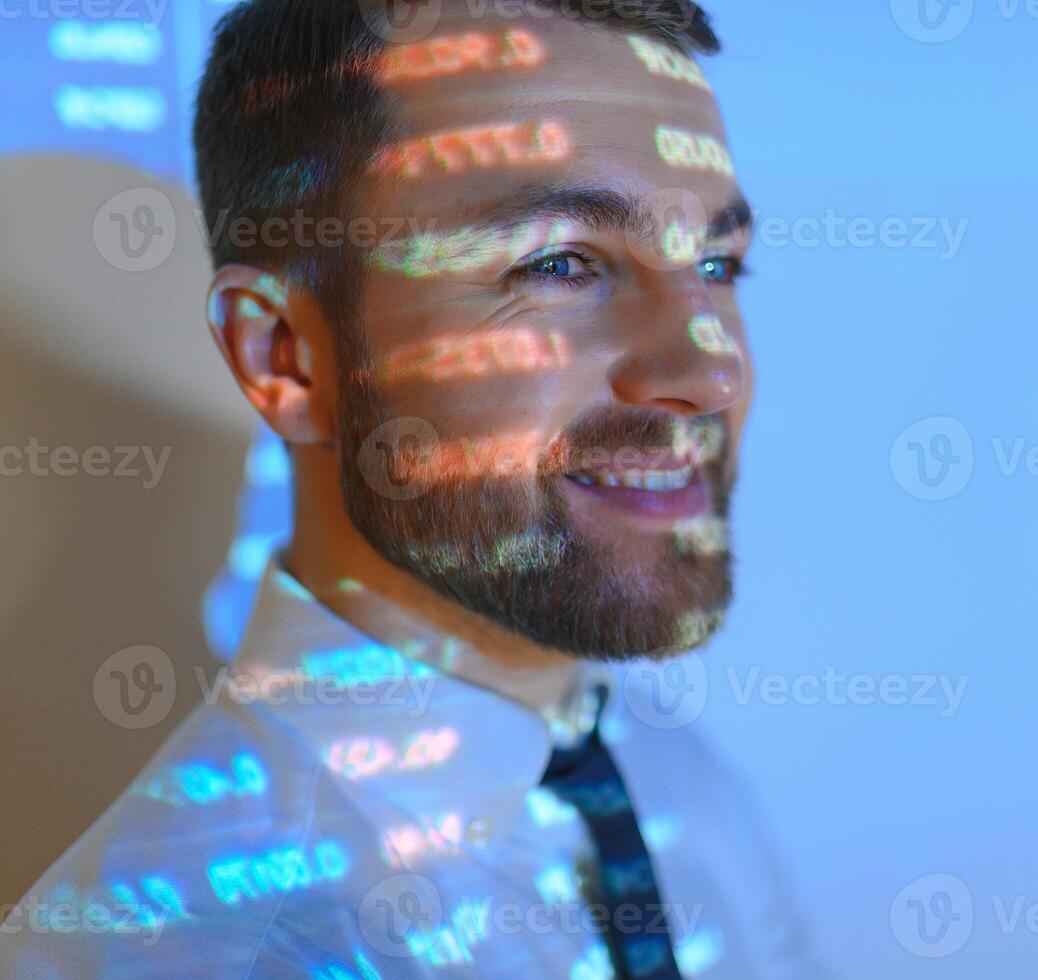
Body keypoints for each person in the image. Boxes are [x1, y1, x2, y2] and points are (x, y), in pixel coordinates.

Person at [0, 2, 819, 977]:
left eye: (717, 263)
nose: (711, 370)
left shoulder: (654, 765)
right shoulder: (207, 941)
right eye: (561, 262)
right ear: (288, 358)